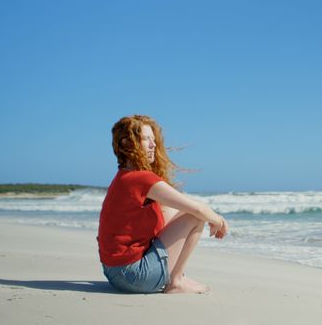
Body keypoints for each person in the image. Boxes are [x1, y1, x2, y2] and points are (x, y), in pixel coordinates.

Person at [97, 114, 228, 294]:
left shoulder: (124, 177)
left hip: (115, 273)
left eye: (153, 139)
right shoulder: (141, 178)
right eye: (146, 139)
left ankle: (175, 276)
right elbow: (198, 209)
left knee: (175, 210)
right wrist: (218, 220)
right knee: (195, 215)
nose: (153, 145)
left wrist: (207, 216)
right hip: (133, 276)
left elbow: (175, 211)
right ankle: (176, 280)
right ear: (128, 144)